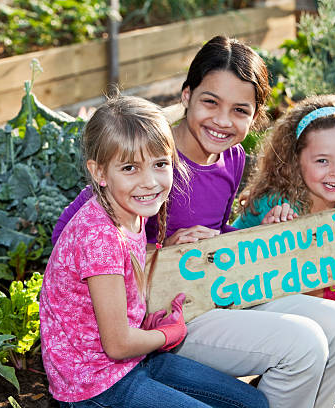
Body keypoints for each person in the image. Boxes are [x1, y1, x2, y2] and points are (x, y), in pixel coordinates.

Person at [51, 36, 335, 408]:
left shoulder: (231, 158)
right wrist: (159, 248)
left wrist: (267, 232)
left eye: (240, 110)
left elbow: (218, 236)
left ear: (255, 115)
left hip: (217, 289)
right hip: (165, 311)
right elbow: (68, 239)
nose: (222, 121)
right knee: (303, 343)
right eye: (210, 102)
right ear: (186, 96)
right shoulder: (149, 159)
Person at [39, 95, 269, 408]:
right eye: (130, 168)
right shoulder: (99, 236)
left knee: (253, 403)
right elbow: (118, 344)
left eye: (160, 164)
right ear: (99, 173)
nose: (149, 182)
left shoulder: (130, 211)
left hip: (133, 360)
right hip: (94, 385)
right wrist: (169, 333)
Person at [233, 92, 335, 323]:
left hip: (306, 304)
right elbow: (268, 278)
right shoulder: (277, 205)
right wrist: (269, 234)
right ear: (295, 160)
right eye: (322, 160)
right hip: (252, 309)